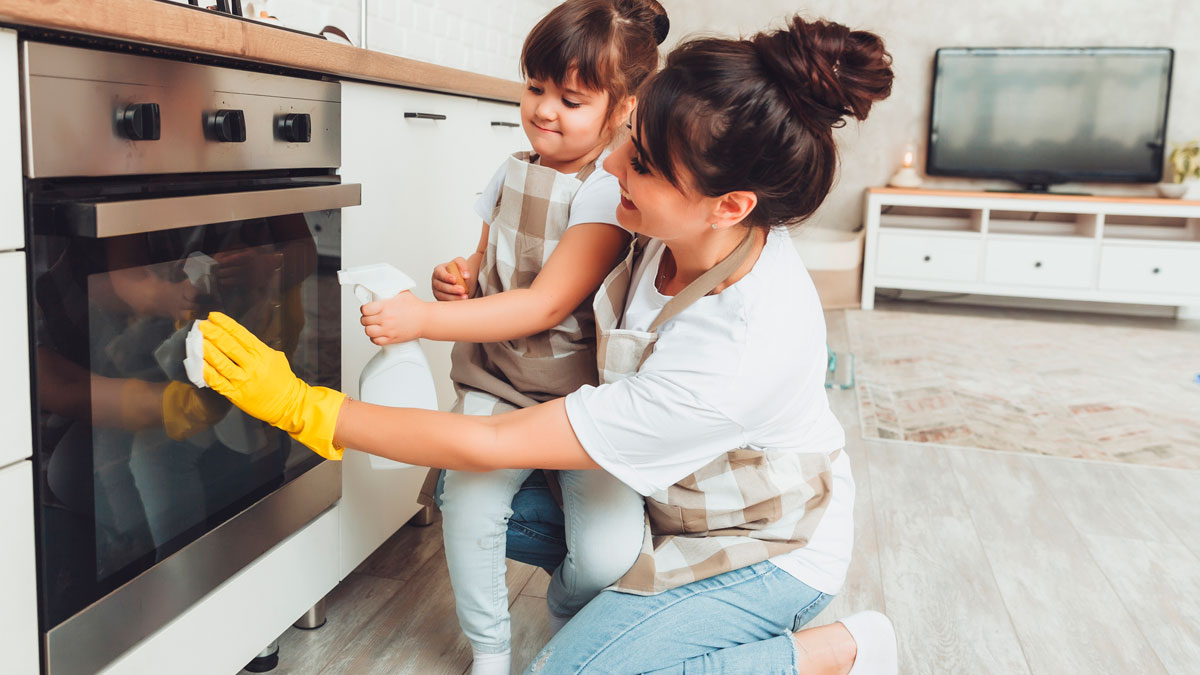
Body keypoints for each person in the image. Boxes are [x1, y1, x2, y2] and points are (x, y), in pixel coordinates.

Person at [199, 13, 899, 674]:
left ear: (731, 206)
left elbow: (498, 443)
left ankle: (830, 652)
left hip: (760, 546)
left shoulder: (738, 346)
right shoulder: (651, 208)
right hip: (666, 499)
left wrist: (305, 407)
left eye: (645, 163)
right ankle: (635, 616)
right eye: (633, 136)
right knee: (456, 494)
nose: (614, 163)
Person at [354, 2, 668, 673]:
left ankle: (566, 614)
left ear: (622, 109)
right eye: (535, 88)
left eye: (571, 99)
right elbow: (489, 258)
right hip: (498, 381)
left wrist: (422, 318)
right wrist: (458, 276)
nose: (545, 110)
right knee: (466, 509)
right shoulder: (512, 166)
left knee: (609, 552)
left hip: (585, 402)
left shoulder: (606, 194)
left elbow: (540, 303)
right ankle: (491, 649)